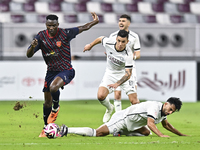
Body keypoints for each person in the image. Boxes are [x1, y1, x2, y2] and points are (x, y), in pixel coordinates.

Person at [26, 12, 99, 137]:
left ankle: (56, 108)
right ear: (46, 25)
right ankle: (46, 128)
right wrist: (32, 47)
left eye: (54, 25)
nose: (51, 28)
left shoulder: (65, 33)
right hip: (51, 72)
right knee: (46, 102)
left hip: (66, 70)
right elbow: (28, 54)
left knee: (53, 87)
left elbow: (83, 27)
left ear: (57, 24)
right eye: (49, 25)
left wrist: (95, 22)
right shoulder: (41, 36)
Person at [59, 97, 187, 137]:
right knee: (97, 133)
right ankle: (67, 130)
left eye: (172, 112)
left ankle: (121, 133)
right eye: (170, 109)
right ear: (165, 104)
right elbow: (151, 123)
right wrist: (161, 135)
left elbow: (167, 125)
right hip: (122, 119)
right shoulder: (154, 107)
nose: (170, 112)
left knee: (147, 133)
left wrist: (182, 135)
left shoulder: (163, 112)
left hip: (133, 124)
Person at [83, 30, 138, 123]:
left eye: (123, 42)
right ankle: (109, 108)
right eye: (119, 40)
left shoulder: (129, 54)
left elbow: (128, 74)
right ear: (116, 39)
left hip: (124, 74)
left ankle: (142, 124)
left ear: (127, 42)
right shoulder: (109, 42)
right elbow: (100, 38)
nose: (120, 44)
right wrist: (90, 45)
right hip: (110, 73)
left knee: (135, 102)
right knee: (100, 96)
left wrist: (117, 83)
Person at [109, 14, 141, 112]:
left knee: (133, 96)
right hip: (117, 68)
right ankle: (118, 118)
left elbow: (138, 54)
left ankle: (138, 116)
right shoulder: (113, 36)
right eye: (119, 21)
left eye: (123, 21)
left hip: (129, 68)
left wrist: (131, 58)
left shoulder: (134, 36)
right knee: (117, 94)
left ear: (128, 23)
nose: (121, 23)